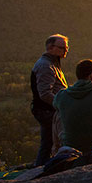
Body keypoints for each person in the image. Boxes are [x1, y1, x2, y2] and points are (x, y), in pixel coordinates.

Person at [53, 59, 92, 153]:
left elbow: (55, 105)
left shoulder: (61, 95)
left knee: (58, 114)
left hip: (71, 146)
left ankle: (56, 150)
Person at [30, 34, 69, 166]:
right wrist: (61, 105)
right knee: (49, 142)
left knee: (49, 142)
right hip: (47, 110)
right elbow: (45, 93)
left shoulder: (52, 63)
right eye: (62, 48)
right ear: (50, 48)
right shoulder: (46, 66)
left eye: (67, 47)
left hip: (49, 109)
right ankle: (42, 169)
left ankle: (42, 167)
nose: (66, 50)